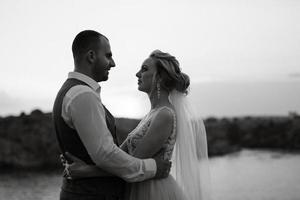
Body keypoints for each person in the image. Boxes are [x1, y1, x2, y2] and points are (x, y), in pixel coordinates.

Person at [63, 50, 211, 200]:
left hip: (154, 192)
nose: (137, 74)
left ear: (159, 77)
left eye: (144, 69)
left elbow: (131, 161)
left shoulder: (165, 115)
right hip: (137, 186)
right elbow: (120, 156)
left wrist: (86, 171)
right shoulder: (152, 114)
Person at [52, 30, 171, 200]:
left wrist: (87, 171)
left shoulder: (71, 91)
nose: (113, 63)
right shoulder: (83, 95)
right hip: (91, 195)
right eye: (108, 56)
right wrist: (153, 168)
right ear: (91, 56)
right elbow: (106, 154)